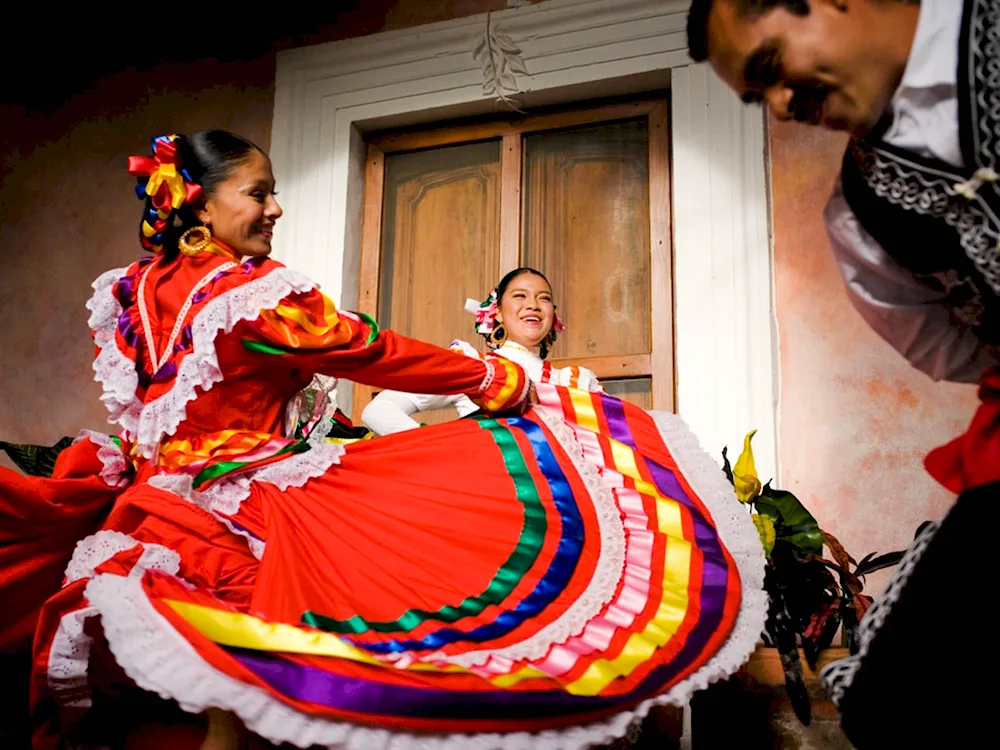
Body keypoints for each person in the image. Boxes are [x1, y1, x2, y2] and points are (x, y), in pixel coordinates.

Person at [0, 130, 765, 750]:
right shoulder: (249, 294)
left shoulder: (134, 291)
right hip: (245, 509)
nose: (274, 209)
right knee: (270, 670)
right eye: (258, 193)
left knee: (222, 684)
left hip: (153, 506)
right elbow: (373, 354)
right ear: (199, 202)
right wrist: (494, 383)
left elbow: (157, 416)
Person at [687, 0, 1000, 745]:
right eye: (757, 97)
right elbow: (949, 350)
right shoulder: (861, 213)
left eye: (770, 70)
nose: (782, 107)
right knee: (895, 689)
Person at [361, 267, 599, 436]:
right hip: (490, 499)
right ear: (497, 312)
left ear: (552, 315)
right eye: (520, 296)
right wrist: (438, 453)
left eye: (543, 298)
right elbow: (379, 411)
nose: (533, 305)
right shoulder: (473, 367)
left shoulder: (577, 381)